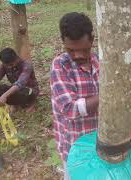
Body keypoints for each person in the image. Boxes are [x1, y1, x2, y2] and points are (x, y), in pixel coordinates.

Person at [50, 12, 99, 179]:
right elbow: (70, 108)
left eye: (84, 50)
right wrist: (111, 93)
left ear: (92, 40)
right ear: (63, 42)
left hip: (100, 140)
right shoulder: (60, 65)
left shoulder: (100, 61)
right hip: (74, 144)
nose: (77, 56)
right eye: (71, 50)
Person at [0, 48, 39, 112]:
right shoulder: (4, 65)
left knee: (26, 92)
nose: (9, 67)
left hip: (29, 90)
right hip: (15, 89)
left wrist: (5, 96)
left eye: (11, 64)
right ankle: (14, 103)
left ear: (16, 58)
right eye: (7, 65)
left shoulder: (26, 65)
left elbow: (20, 84)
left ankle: (30, 104)